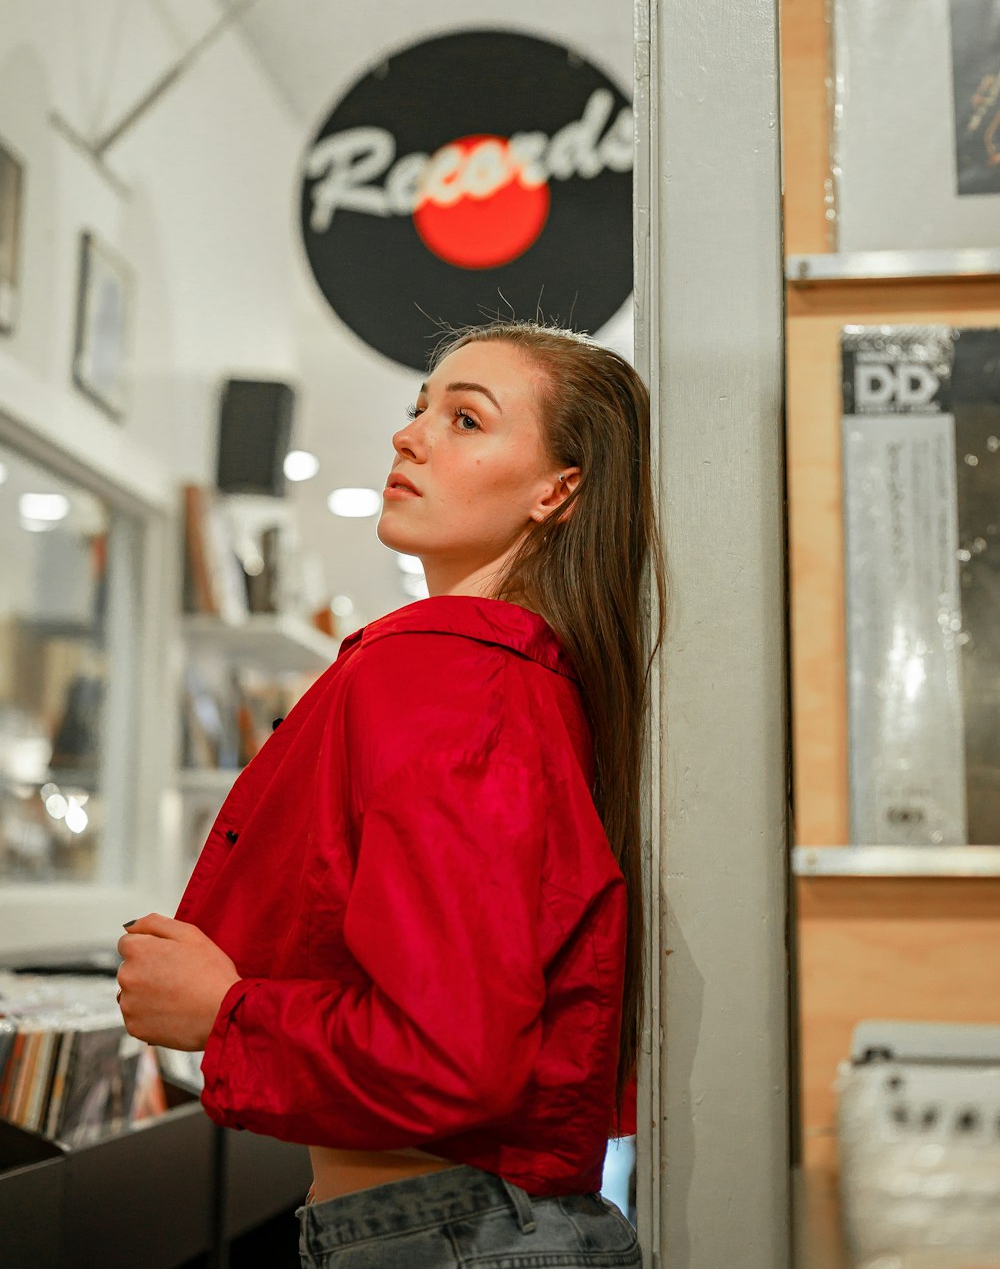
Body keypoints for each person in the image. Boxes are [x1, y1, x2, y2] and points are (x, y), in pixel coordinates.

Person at [116, 319, 666, 1268]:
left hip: (447, 1236)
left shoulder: (450, 675)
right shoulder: (517, 681)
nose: (409, 436)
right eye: (420, 410)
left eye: (465, 419)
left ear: (558, 490)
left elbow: (450, 1050)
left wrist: (225, 1010)